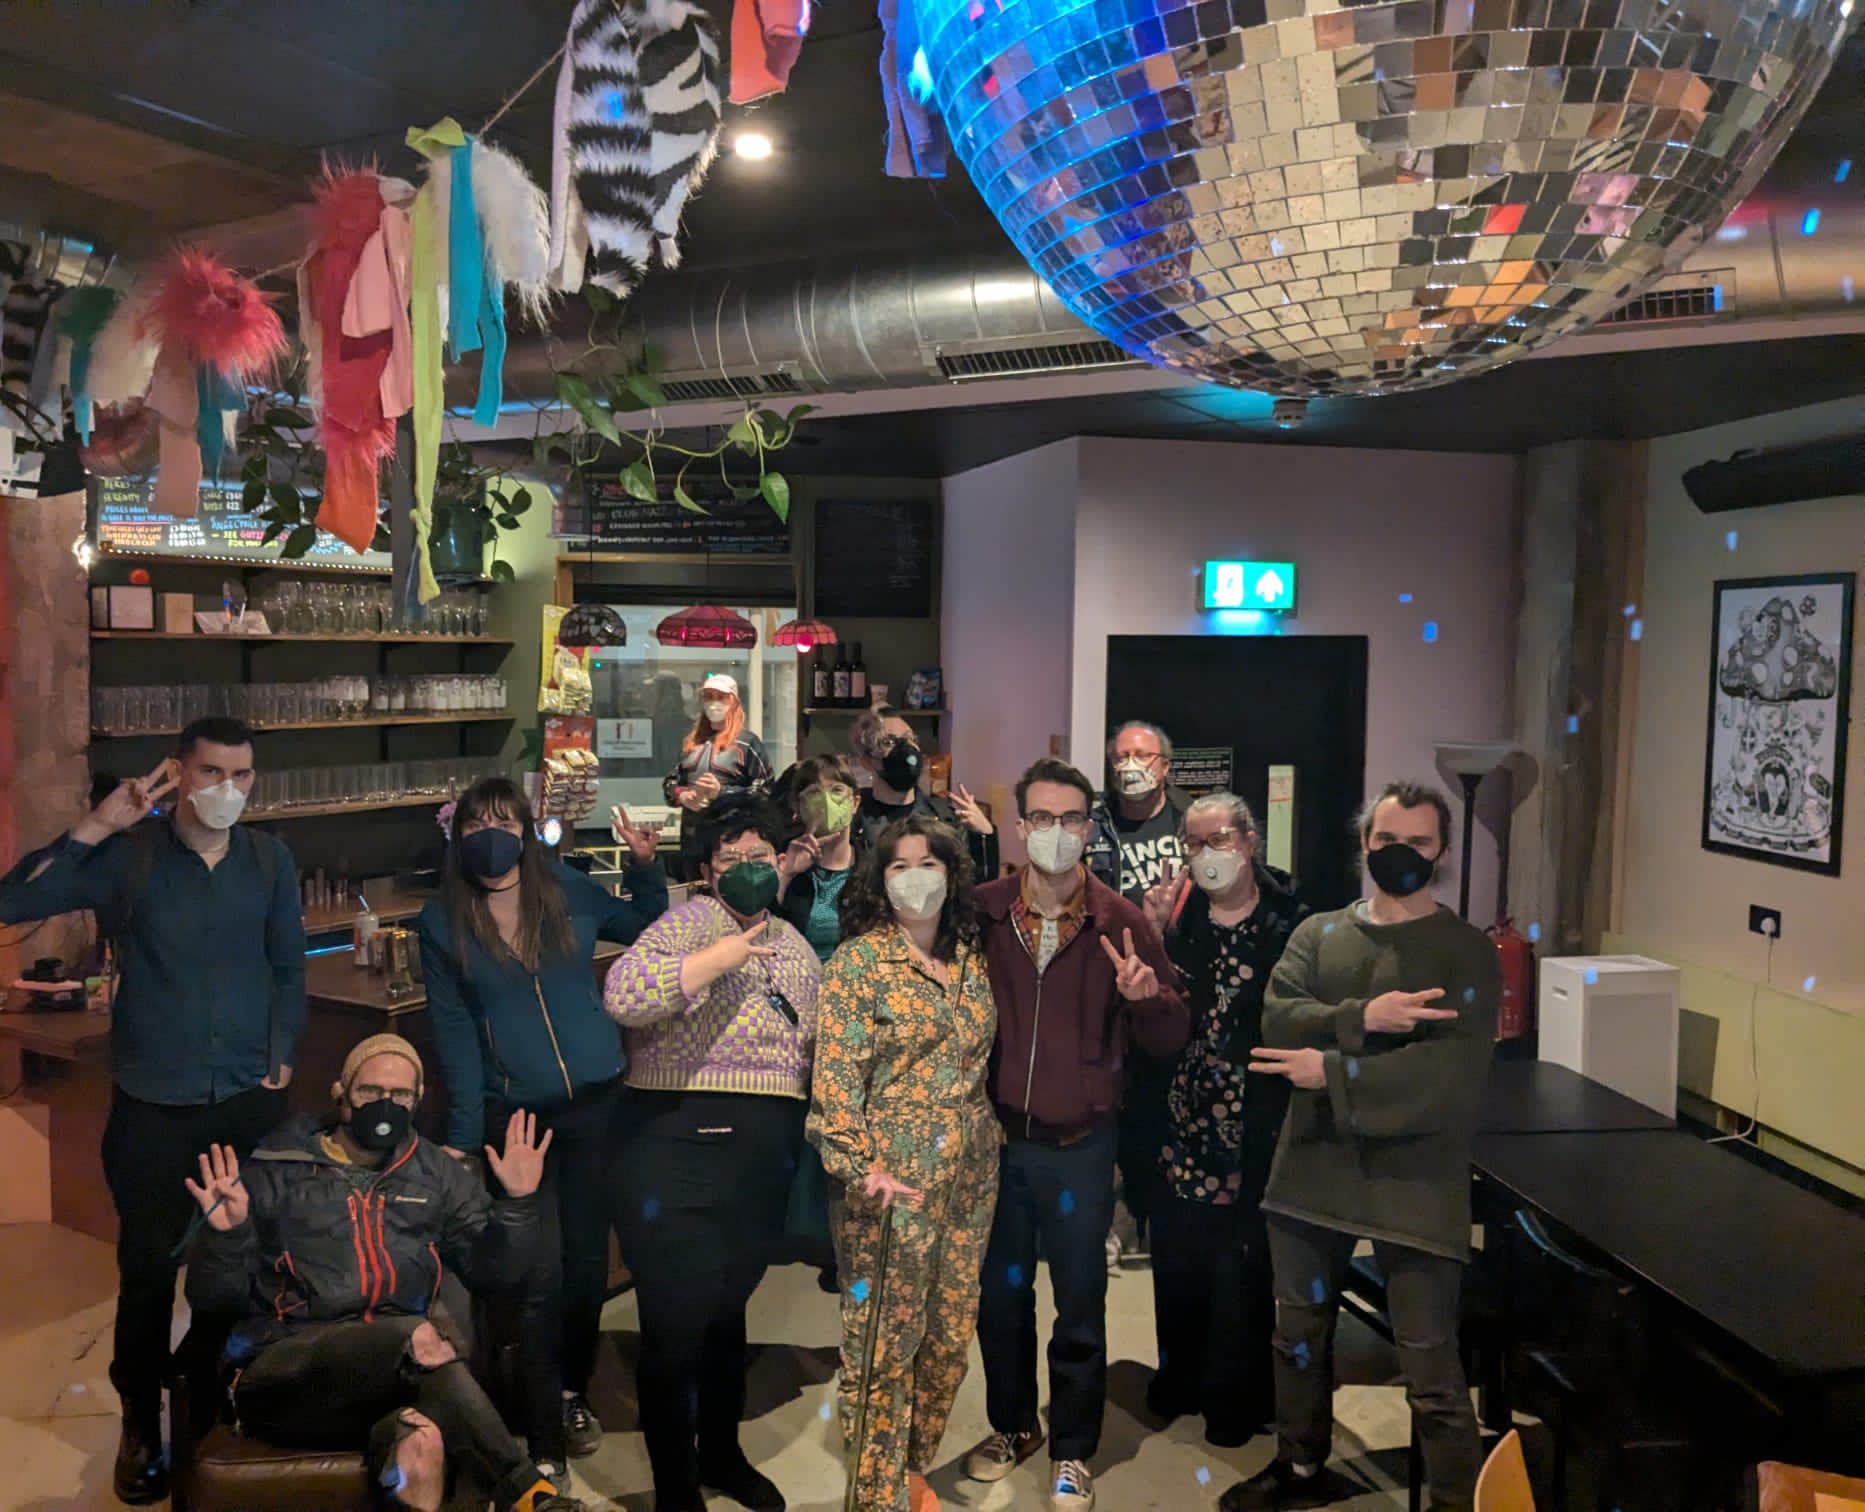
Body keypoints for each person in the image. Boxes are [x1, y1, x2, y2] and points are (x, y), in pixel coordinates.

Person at [0, 716, 304, 1505]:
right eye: (210, 773)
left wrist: (282, 1046)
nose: (226, 791)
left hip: (244, 1102)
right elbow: (12, 901)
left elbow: (286, 963)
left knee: (246, 1261)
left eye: (241, 775)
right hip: (153, 1106)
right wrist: (99, 822)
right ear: (177, 772)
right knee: (145, 1272)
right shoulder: (127, 859)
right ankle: (140, 1419)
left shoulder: (270, 860)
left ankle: (221, 1396)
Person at [1219, 781, 1501, 1512]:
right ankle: (1300, 1466)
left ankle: (1453, 1501)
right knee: (1298, 1339)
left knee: (1432, 1368)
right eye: (1384, 841)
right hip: (1311, 1168)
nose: (1398, 854)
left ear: (1440, 853)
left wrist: (1332, 1070)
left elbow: (1451, 1072)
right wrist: (1360, 1017)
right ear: (1363, 843)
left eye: (1417, 842)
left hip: (1417, 1184)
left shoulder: (1466, 950)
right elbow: (1278, 1019)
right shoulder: (1317, 934)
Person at [181, 1034, 582, 1512]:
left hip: (396, 1378)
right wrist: (225, 1237)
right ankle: (527, 1495)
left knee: (422, 1445)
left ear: (416, 1102)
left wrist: (517, 1205)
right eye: (370, 1092)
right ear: (343, 1094)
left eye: (401, 1095)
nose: (385, 1105)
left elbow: (496, 1276)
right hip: (287, 1374)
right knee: (416, 1336)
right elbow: (213, 1302)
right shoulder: (274, 1170)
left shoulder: (435, 1173)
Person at [418, 776, 669, 1478]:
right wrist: (466, 1138)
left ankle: (568, 1391)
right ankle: (536, 1422)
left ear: (526, 831)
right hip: (516, 1119)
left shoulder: (564, 889)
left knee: (588, 1262)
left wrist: (648, 867)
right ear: (457, 837)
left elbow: (643, 925)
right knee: (535, 1270)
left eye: (503, 821)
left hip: (596, 1104)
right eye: (474, 825)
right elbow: (455, 1038)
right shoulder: (440, 925)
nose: (488, 836)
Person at [963, 758, 1189, 1512]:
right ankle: (1010, 1425)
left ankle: (1072, 1448)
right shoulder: (983, 911)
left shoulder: (1117, 920)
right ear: (1019, 826)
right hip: (995, 1141)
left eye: (1070, 819)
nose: (1055, 833)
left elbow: (1169, 1034)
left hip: (1081, 1146)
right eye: (1041, 818)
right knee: (1000, 1300)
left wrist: (1148, 998)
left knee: (1080, 1301)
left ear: (1088, 828)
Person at [604, 796, 819, 1512]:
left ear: (784, 863)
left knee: (728, 1319)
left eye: (763, 856)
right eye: (732, 858)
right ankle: (674, 1487)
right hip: (673, 1152)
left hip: (758, 1163)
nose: (750, 870)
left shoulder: (793, 944)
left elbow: (811, 1045)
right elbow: (624, 995)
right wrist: (718, 956)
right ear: (705, 870)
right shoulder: (687, 924)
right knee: (673, 1329)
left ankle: (722, 1456)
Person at [808, 816, 1001, 1512]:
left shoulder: (973, 958)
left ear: (951, 875)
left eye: (928, 863)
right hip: (888, 1184)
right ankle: (875, 1494)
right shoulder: (857, 965)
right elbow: (833, 1086)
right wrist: (862, 1167)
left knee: (949, 1333)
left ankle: (911, 1465)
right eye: (898, 866)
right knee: (880, 1345)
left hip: (970, 1177)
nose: (915, 877)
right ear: (877, 878)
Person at [1139, 793, 1307, 1446]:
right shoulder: (1178, 919)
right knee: (1179, 1255)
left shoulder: (1291, 920)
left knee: (1242, 1267)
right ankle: (1178, 1376)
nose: (1206, 854)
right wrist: (1155, 934)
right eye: (1193, 842)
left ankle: (1236, 1398)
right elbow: (1157, 1008)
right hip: (1184, 1116)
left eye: (1219, 839)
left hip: (1257, 1120)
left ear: (1249, 840)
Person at [1087, 721, 1191, 1268]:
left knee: (1159, 1106)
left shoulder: (1188, 823)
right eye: (1122, 754)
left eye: (1143, 754)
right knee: (1109, 1105)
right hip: (1104, 988)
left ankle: (1150, 1219)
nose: (1131, 763)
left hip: (1168, 982)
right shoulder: (1093, 822)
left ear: (1165, 766)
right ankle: (1113, 1223)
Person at [849, 704, 999, 880]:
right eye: (889, 741)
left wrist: (984, 836)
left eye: (909, 739)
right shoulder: (854, 822)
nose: (905, 748)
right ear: (867, 761)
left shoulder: (945, 820)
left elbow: (974, 889)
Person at [663, 673, 774, 868]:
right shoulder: (692, 743)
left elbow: (766, 790)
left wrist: (722, 793)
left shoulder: (747, 743)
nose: (714, 703)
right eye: (708, 697)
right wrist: (683, 795)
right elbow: (670, 784)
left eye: (721, 697)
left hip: (733, 842)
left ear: (734, 702)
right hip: (692, 841)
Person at [775, 753, 862, 965]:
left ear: (854, 803)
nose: (826, 801)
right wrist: (786, 875)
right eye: (814, 792)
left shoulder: (873, 868)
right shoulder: (783, 863)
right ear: (797, 807)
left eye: (837, 790)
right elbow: (766, 934)